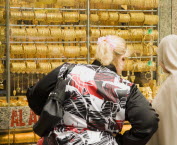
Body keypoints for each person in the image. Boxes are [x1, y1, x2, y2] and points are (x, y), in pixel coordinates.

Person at [29, 35, 159, 145]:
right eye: (124, 60)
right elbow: (149, 121)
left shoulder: (67, 71)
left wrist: (55, 113)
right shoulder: (124, 87)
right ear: (121, 58)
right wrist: (121, 141)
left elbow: (35, 95)